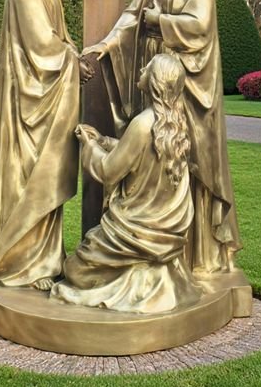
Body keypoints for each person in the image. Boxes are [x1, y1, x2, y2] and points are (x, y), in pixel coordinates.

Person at [82, 0, 241, 274]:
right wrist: (108, 43)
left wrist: (159, 21)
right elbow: (132, 14)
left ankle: (194, 254)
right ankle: (148, 237)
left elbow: (199, 26)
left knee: (186, 157)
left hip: (183, 79)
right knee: (151, 149)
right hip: (151, 73)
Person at [0, 0, 89, 290]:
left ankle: (44, 259)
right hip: (30, 100)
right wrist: (74, 60)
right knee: (29, 177)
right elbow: (41, 43)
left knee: (45, 176)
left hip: (44, 96)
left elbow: (55, 38)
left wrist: (72, 54)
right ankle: (18, 262)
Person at [50, 53, 200, 313]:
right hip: (163, 228)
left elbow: (108, 171)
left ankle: (128, 283)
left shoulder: (142, 124)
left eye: (148, 67)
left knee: (74, 270)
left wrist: (88, 145)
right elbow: (140, 156)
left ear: (154, 82)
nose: (142, 67)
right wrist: (105, 142)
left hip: (134, 228)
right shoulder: (175, 124)